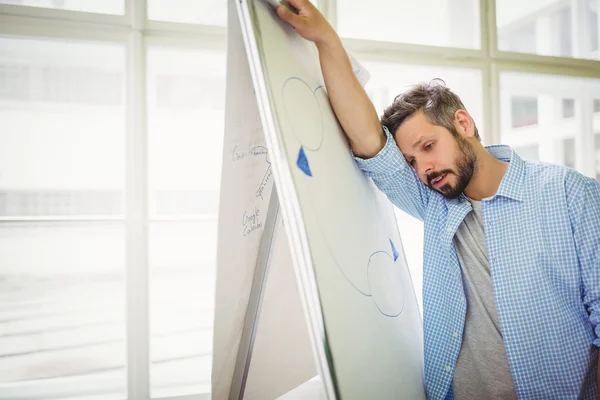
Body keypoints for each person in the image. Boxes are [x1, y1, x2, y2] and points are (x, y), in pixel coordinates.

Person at [274, 1, 600, 399]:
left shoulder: (568, 193)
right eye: (412, 160)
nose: (423, 168)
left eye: (428, 146)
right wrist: (326, 40)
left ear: (462, 123)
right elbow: (368, 140)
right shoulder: (435, 204)